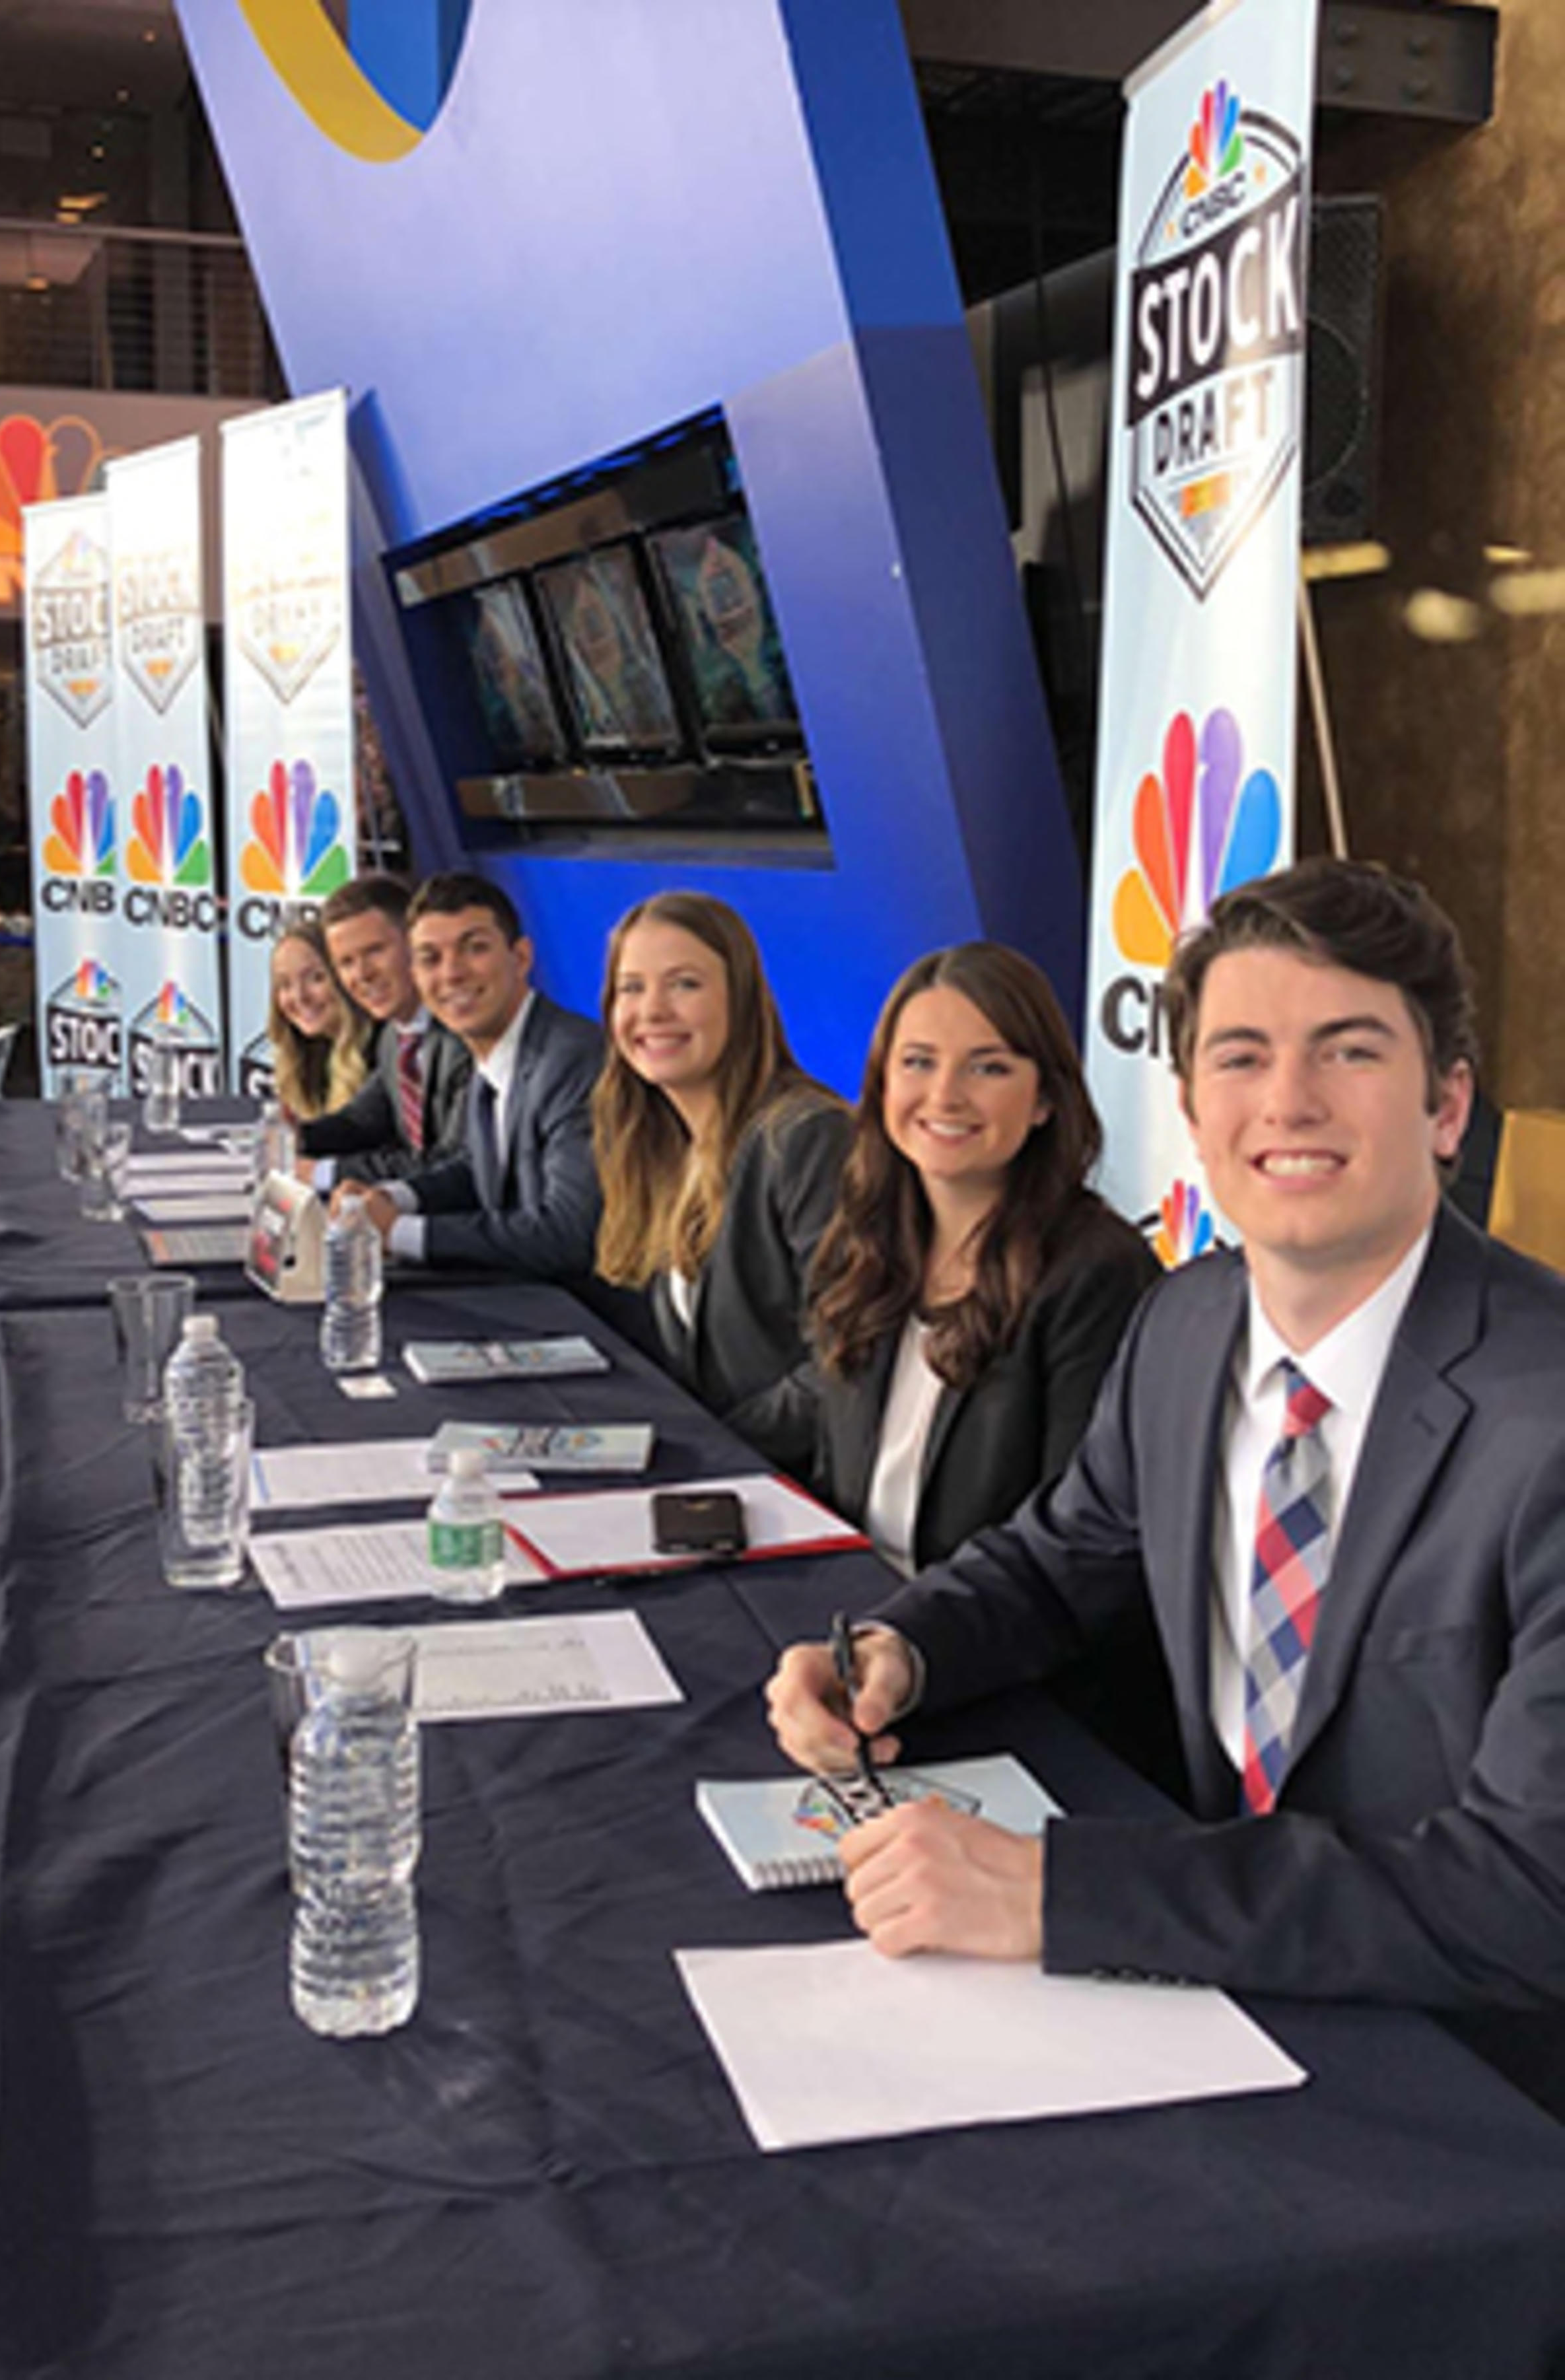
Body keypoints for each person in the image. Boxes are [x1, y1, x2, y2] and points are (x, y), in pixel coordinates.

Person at [767, 857, 1565, 2017]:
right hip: (1211, 1991)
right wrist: (903, 1649)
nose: (1288, 1102)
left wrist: (1058, 1893)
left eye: (1348, 1050)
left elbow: (1531, 1893)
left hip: (1467, 2063)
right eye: (1241, 1057)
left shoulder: (1543, 1410)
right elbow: (1059, 1561)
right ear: (1192, 1111)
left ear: (1446, 1108)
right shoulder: (1186, 1322)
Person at [808, 943, 1159, 1574]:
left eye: (988, 1068)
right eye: (918, 1062)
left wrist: (908, 1629)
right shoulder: (863, 1240)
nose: (945, 1095)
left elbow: (1078, 1548)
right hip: (855, 1599)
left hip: (987, 1628)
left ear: (1045, 1100)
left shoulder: (1099, 1273)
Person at [592, 892, 849, 1469]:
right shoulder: (664, 1145)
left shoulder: (806, 1136)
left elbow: (844, 1361)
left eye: (684, 984)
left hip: (802, 1485)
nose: (652, 1010)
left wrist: (712, 1445)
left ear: (742, 998)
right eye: (631, 988)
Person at [337, 872, 602, 1278]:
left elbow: (567, 1234)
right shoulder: (489, 1049)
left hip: (590, 1310)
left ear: (521, 958)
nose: (452, 973)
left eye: (475, 948)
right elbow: (477, 1168)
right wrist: (391, 1198)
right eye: (430, 958)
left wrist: (399, 1233)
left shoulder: (572, 1058)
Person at [298, 872, 472, 1181]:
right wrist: (289, 1138)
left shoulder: (466, 1035)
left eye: (374, 951)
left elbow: (450, 1164)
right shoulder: (394, 1037)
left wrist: (323, 1172)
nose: (362, 974)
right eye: (346, 962)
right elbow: (360, 1123)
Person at [265, 917, 370, 1123]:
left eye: (316, 978)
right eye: (285, 985)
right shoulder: (306, 1058)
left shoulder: (381, 1054)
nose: (300, 997)